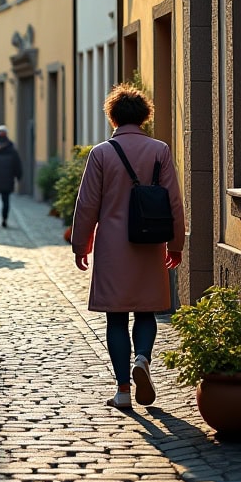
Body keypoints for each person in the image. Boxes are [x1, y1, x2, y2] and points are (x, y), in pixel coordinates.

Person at [70, 82, 185, 410]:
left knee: (116, 318)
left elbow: (87, 204)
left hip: (112, 246)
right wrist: (175, 245)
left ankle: (122, 390)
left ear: (113, 117)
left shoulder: (102, 153)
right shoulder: (160, 150)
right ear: (144, 117)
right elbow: (173, 203)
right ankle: (143, 359)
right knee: (147, 310)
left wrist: (82, 244)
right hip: (150, 243)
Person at [0, 125, 23, 227]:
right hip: (7, 179)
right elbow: (17, 164)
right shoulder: (12, 148)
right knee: (6, 200)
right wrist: (18, 176)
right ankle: (4, 219)